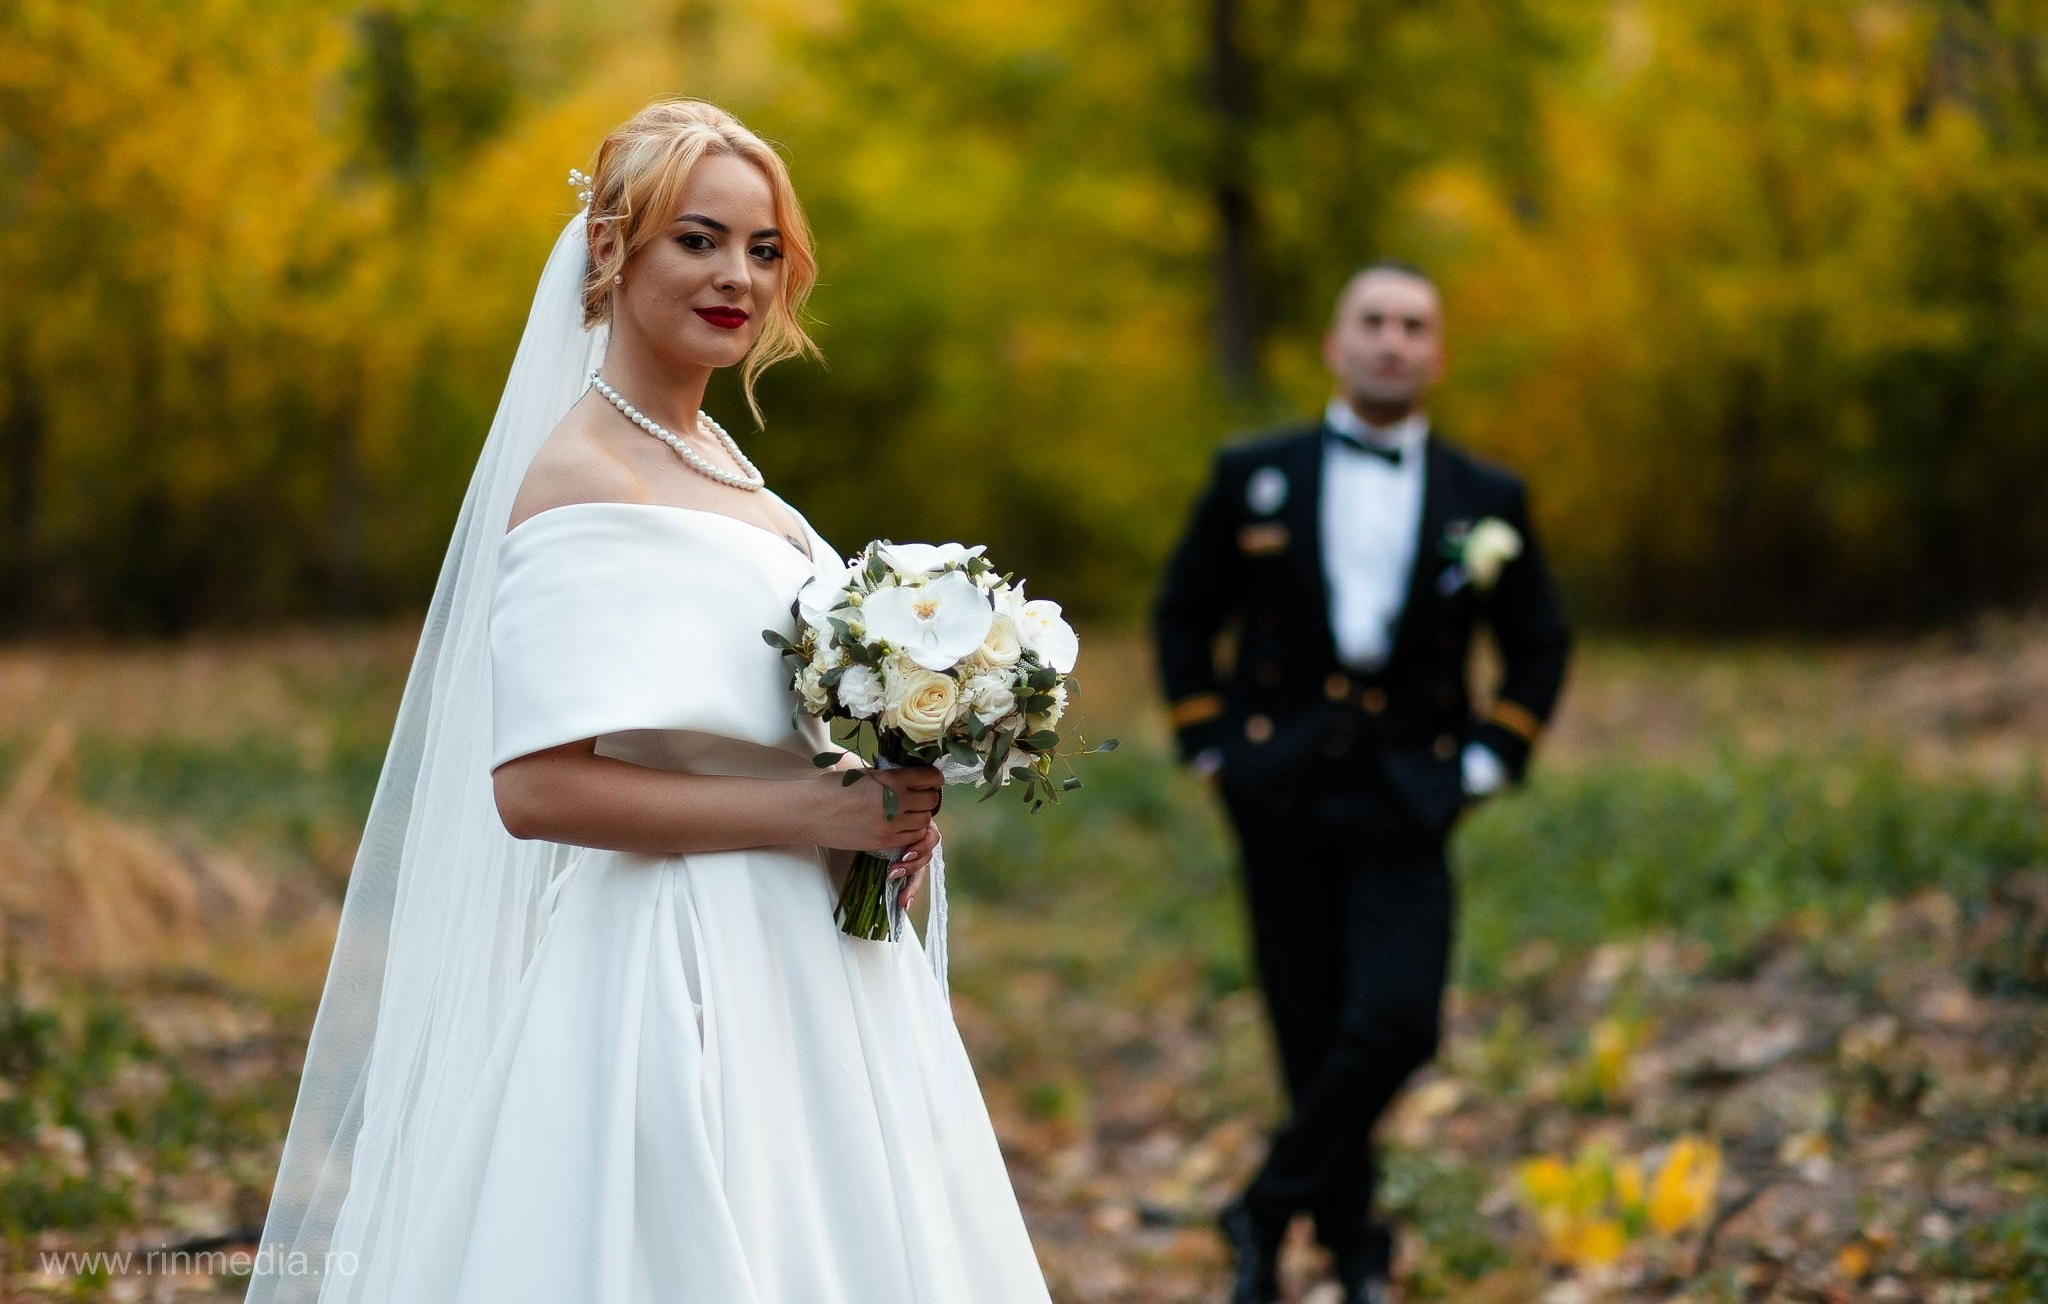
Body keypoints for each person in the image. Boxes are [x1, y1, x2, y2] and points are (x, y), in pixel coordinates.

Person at [242, 99, 1053, 1304]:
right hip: (678, 966)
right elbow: (535, 789)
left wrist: (883, 813)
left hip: (816, 962)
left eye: (764, 250)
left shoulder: (725, 466)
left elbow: (766, 732)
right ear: (612, 249)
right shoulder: (583, 475)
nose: (738, 276)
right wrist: (812, 816)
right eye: (698, 239)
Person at [1152, 261, 1571, 1304]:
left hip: (1408, 792)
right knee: (1306, 1027)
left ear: (1435, 353)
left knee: (1396, 1020)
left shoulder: (1487, 497)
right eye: (1372, 323)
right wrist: (1209, 743)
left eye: (1413, 326)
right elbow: (1180, 612)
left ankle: (1262, 1206)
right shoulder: (1255, 470)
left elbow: (1539, 642)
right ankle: (1349, 1245)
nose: (1391, 341)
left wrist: (1492, 755)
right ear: (1336, 346)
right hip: (1277, 787)